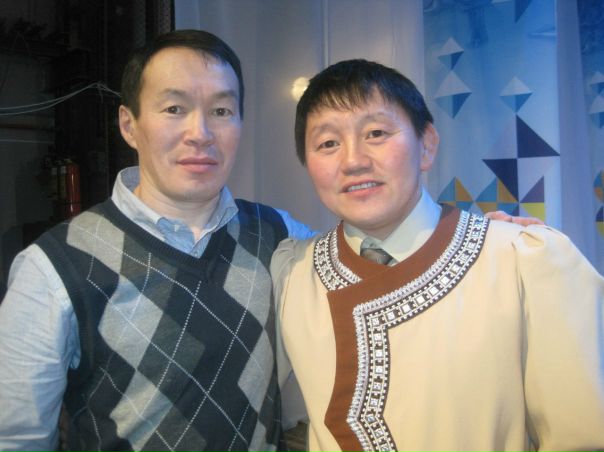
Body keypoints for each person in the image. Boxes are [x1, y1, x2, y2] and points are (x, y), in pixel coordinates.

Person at [0, 29, 314, 452]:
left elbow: (367, 264)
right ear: (129, 125)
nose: (200, 132)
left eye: (221, 110)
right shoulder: (55, 266)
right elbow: (17, 438)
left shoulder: (277, 235)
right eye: (174, 108)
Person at [271, 59, 604, 452]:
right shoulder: (292, 273)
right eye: (328, 143)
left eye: (376, 133)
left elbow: (582, 438)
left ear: (426, 144)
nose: (354, 161)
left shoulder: (521, 259)